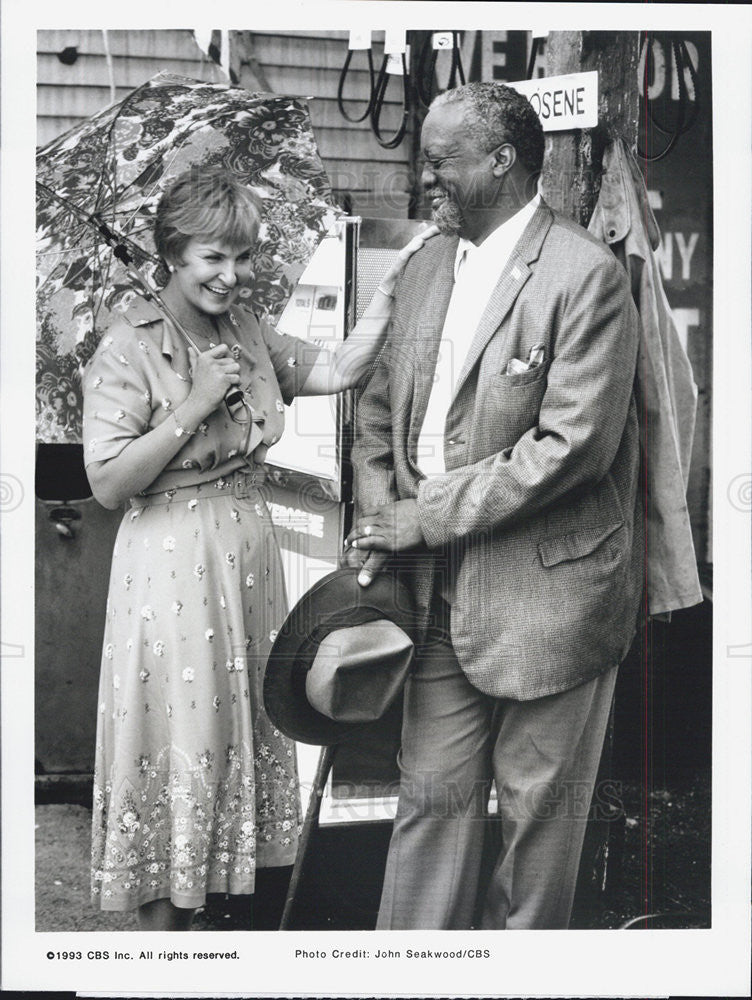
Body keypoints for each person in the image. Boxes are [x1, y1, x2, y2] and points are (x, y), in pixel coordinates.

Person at [83, 166, 435, 930]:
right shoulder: (127, 341)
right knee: (181, 733)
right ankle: (162, 940)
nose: (232, 275)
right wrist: (196, 404)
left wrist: (393, 286)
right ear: (172, 253)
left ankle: (207, 925)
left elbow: (340, 369)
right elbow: (109, 483)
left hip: (246, 557)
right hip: (171, 562)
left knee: (232, 730)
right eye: (212, 257)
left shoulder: (243, 329)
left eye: (242, 257)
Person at [344, 83, 644, 930]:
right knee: (427, 810)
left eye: (439, 160)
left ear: (502, 161)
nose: (423, 173)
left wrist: (424, 515)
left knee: (535, 834)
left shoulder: (587, 275)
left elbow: (571, 449)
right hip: (437, 593)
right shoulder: (426, 263)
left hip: (553, 602)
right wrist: (380, 513)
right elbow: (376, 411)